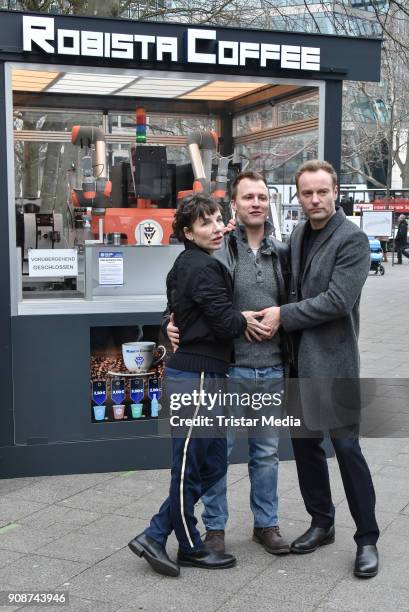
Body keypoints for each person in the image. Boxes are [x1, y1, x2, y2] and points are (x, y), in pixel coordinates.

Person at [128, 193, 268, 577]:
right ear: (188, 232)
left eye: (218, 219)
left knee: (210, 463)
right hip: (198, 376)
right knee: (190, 463)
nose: (215, 228)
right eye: (205, 223)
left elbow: (189, 314)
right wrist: (247, 319)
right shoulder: (200, 267)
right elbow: (223, 322)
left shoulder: (191, 264)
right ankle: (187, 544)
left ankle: (156, 533)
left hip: (207, 373)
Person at [167, 171, 291, 556]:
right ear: (233, 205)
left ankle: (265, 525)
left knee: (266, 454)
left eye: (262, 197)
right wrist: (166, 326)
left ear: (269, 204)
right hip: (228, 368)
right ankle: (215, 528)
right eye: (248, 197)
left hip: (271, 368)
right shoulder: (216, 249)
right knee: (217, 453)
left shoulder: (282, 253)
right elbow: (180, 300)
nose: (256, 203)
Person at [266, 160, 380, 578]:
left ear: (336, 192)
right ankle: (322, 522)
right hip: (298, 363)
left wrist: (282, 315)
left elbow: (338, 301)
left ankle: (367, 538)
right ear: (298, 196)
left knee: (347, 449)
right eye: (307, 193)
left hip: (334, 364)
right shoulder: (298, 234)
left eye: (322, 192)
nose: (315, 199)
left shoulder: (352, 239)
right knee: (305, 447)